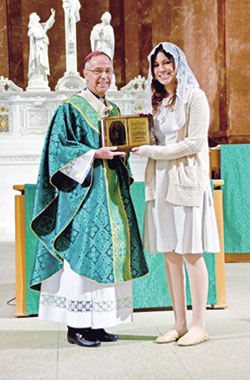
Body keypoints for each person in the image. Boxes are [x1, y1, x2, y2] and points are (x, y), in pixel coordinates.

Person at [30, 51, 148, 347]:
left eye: (108, 70)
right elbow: (58, 151)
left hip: (111, 196)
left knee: (107, 257)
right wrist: (94, 153)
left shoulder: (113, 108)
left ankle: (98, 323)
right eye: (97, 71)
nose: (104, 76)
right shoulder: (70, 108)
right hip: (81, 199)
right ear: (85, 74)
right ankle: (77, 325)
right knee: (83, 255)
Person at [132, 42, 220, 346]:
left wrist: (152, 150)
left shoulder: (195, 98)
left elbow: (195, 143)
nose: (162, 69)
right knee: (170, 254)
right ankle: (180, 323)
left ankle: (199, 324)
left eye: (167, 62)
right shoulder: (157, 103)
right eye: (156, 65)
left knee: (191, 252)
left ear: (178, 64)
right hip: (159, 182)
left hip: (186, 182)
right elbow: (147, 136)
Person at [28, 9, 55, 83]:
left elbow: (48, 24)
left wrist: (52, 15)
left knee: (43, 61)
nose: (38, 16)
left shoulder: (39, 26)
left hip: (43, 48)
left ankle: (42, 76)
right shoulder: (33, 28)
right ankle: (37, 76)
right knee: (38, 61)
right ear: (34, 19)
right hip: (37, 49)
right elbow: (39, 35)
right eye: (36, 16)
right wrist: (45, 30)